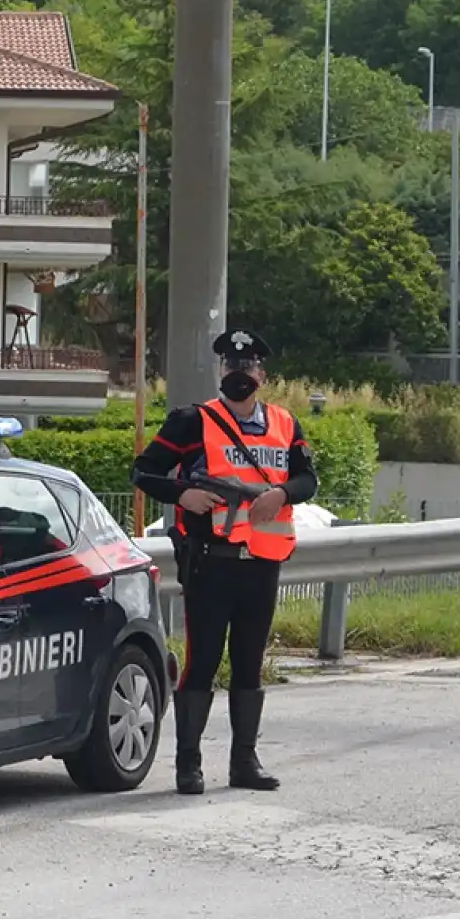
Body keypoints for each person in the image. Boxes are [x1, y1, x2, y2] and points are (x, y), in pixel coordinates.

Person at [130, 329, 318, 795]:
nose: (240, 374)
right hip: (210, 563)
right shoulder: (192, 421)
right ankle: (188, 766)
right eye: (232, 367)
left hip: (261, 562)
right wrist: (183, 493)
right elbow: (143, 471)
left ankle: (244, 763)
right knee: (203, 662)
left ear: (262, 374)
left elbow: (307, 479)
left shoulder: (285, 423)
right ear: (221, 372)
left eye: (249, 366)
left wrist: (281, 493)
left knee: (250, 663)